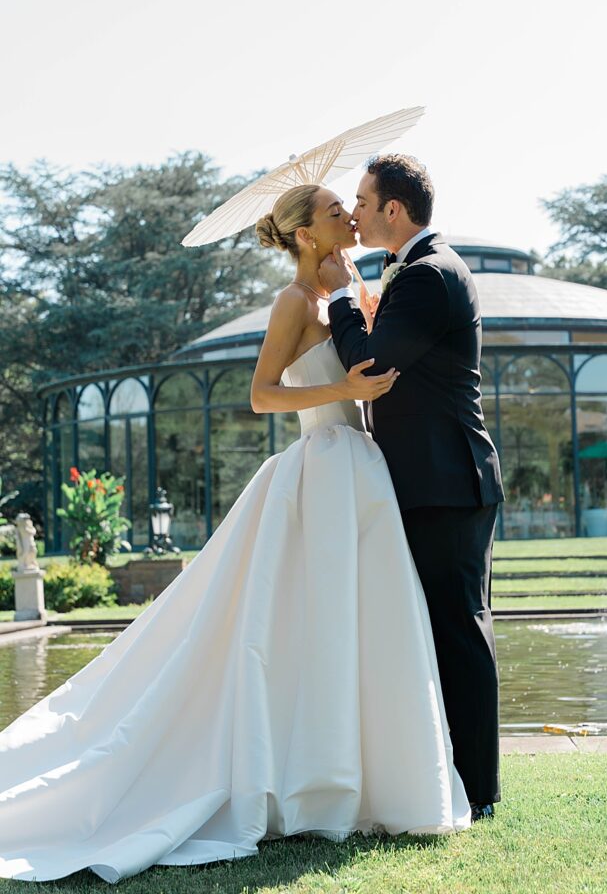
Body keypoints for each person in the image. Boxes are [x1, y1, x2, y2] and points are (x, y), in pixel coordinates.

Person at [0, 182, 471, 885]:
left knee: (362, 626)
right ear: (306, 235)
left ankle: (364, 778)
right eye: (335, 212)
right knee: (291, 629)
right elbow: (262, 395)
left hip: (366, 475)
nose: (350, 215)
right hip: (318, 469)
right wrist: (340, 391)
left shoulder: (361, 289)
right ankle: (296, 778)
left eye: (352, 205)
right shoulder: (292, 303)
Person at [319, 154, 505, 818]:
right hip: (425, 480)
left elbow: (369, 362)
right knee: (434, 629)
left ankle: (477, 791)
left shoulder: (429, 275)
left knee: (458, 630)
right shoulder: (414, 274)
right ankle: (444, 776)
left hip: (446, 483)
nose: (356, 213)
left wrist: (339, 296)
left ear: (393, 210)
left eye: (363, 203)